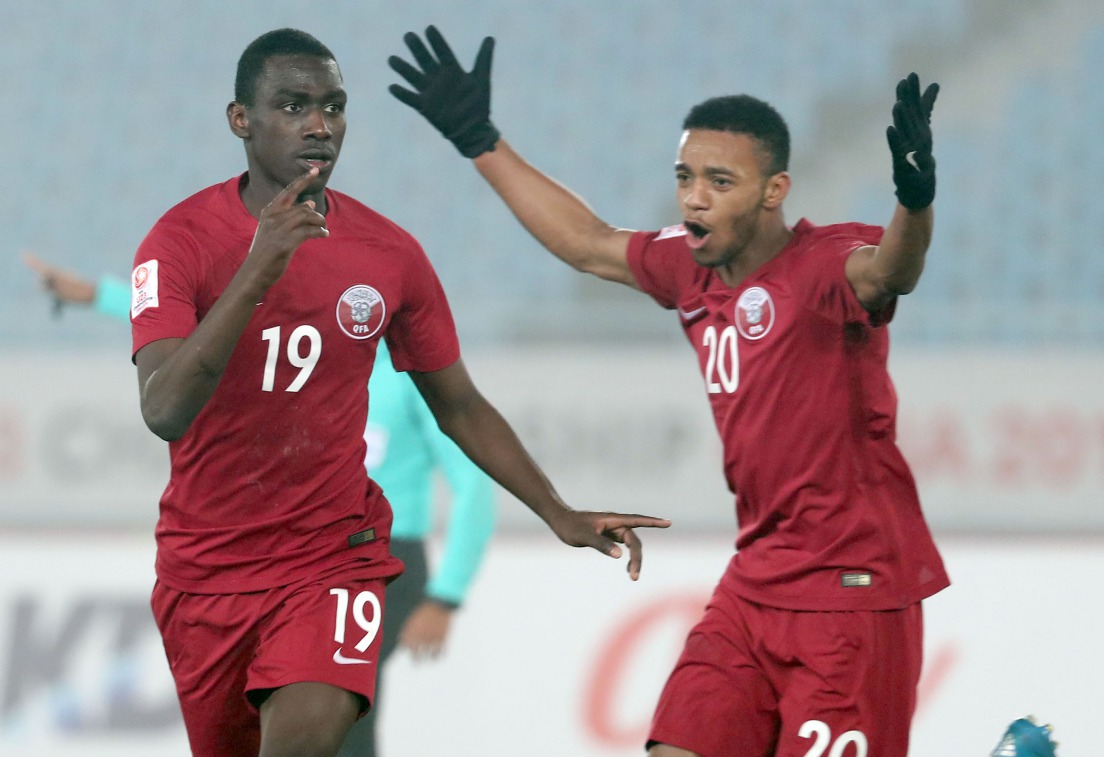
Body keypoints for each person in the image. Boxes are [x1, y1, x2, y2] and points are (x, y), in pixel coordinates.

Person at [387, 26, 949, 757]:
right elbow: (586, 241)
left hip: (852, 591)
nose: (694, 198)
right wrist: (478, 139)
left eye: (721, 182)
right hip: (755, 583)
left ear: (774, 191)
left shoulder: (827, 265)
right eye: (686, 177)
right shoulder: (687, 268)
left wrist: (916, 198)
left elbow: (892, 272)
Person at [127, 28, 669, 757]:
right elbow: (163, 410)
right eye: (292, 105)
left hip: (333, 556)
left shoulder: (389, 253)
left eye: (334, 107)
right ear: (240, 120)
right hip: (206, 572)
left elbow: (460, 404)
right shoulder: (179, 242)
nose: (320, 125)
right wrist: (260, 268)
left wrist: (558, 511)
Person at [22, 251, 497, 757]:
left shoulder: (411, 381)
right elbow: (199, 339)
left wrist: (446, 596)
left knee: (338, 708)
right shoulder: (313, 360)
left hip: (378, 558)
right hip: (297, 548)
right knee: (297, 706)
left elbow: (475, 485)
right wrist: (101, 296)